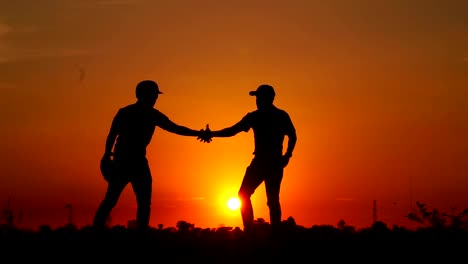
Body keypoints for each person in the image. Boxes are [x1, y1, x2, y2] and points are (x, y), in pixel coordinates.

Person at [93, 80, 209, 231]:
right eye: (154, 95)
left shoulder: (132, 113)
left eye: (156, 96)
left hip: (130, 160)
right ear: (144, 95)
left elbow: (175, 128)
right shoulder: (145, 114)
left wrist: (107, 154)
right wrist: (107, 155)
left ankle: (107, 232)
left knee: (122, 200)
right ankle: (106, 231)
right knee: (128, 201)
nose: (155, 99)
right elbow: (175, 128)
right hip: (129, 161)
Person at [204, 84, 297, 236]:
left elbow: (293, 136)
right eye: (257, 98)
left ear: (269, 98)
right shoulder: (256, 116)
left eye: (259, 97)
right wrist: (212, 134)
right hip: (264, 161)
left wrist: (287, 155)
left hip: (271, 162)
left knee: (269, 199)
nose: (257, 100)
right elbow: (232, 130)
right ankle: (254, 232)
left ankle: (267, 234)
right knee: (248, 195)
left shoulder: (278, 115)